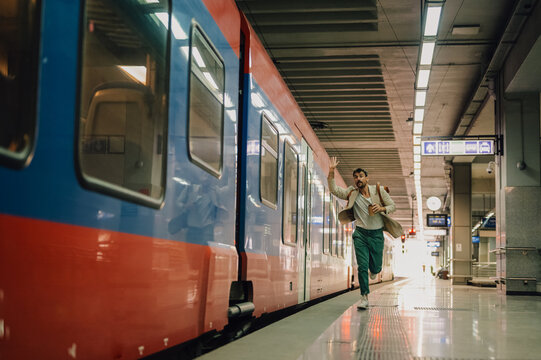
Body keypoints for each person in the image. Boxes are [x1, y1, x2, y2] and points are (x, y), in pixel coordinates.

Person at [328, 156, 396, 310]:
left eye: (360, 176)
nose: (358, 179)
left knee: (376, 268)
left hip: (377, 234)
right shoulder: (352, 193)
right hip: (360, 235)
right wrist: (331, 172)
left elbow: (393, 206)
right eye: (355, 177)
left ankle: (375, 270)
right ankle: (364, 297)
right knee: (362, 266)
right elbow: (334, 190)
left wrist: (382, 208)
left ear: (367, 178)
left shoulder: (378, 191)